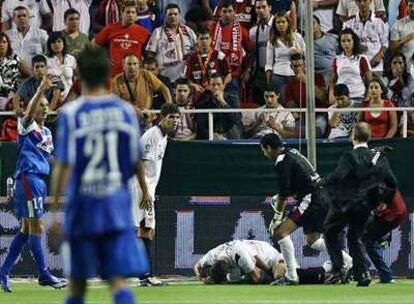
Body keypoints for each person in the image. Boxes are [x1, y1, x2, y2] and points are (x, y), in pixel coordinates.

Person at [50, 47, 149, 304]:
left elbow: (63, 165)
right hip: (115, 204)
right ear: (109, 73)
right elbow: (135, 160)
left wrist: (56, 214)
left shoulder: (71, 114)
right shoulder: (126, 112)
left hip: (82, 205)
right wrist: (142, 189)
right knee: (117, 281)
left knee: (77, 285)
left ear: (78, 74)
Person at [0, 76, 67, 293]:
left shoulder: (47, 132)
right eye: (41, 106)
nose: (45, 109)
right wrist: (40, 89)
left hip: (39, 181)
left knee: (26, 229)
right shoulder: (26, 125)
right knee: (36, 226)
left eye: (47, 106)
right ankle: (44, 274)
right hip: (28, 180)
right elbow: (29, 113)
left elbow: (49, 158)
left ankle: (4, 270)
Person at [259, 133, 351, 285]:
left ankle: (291, 276)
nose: (264, 153)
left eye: (263, 150)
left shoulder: (281, 161)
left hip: (311, 199)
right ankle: (348, 262)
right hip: (321, 197)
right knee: (313, 241)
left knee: (280, 232)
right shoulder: (293, 152)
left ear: (268, 148)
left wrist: (277, 217)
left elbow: (284, 193)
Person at [323, 122, 397, 286]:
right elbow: (392, 183)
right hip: (366, 206)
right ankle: (362, 273)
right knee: (355, 237)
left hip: (346, 203)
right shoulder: (379, 158)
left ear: (353, 137)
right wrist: (384, 200)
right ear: (369, 137)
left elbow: (338, 176)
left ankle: (338, 269)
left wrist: (322, 181)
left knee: (329, 231)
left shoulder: (348, 157)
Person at [129, 103, 180, 286]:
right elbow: (139, 164)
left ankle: (145, 274)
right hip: (140, 188)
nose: (174, 121)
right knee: (144, 230)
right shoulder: (153, 136)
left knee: (146, 229)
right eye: (171, 117)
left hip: (147, 188)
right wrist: (145, 191)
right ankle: (145, 274)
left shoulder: (163, 138)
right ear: (162, 117)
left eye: (177, 117)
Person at [92, 0, 150, 77]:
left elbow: (150, 53)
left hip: (135, 75)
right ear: (121, 14)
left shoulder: (144, 32)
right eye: (128, 12)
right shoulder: (110, 29)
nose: (131, 15)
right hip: (114, 74)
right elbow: (94, 44)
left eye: (133, 12)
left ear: (136, 15)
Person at [145, 3, 197, 82]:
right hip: (165, 75)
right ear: (165, 16)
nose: (173, 16)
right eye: (170, 14)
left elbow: (197, 49)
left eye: (175, 14)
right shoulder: (157, 32)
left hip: (185, 77)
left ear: (179, 15)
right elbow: (150, 54)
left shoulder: (189, 31)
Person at [265, 12, 305, 102]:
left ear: (288, 23)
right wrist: (269, 83)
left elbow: (306, 55)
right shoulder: (272, 40)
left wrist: (299, 52)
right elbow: (268, 64)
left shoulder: (297, 37)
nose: (280, 25)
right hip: (278, 75)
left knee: (297, 102)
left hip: (295, 74)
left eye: (283, 22)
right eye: (278, 22)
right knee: (284, 102)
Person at [342, 0, 389, 76]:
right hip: (355, 67)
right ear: (355, 2)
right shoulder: (348, 23)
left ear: (370, 1)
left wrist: (380, 55)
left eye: (365, 0)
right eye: (359, 1)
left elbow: (385, 43)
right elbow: (342, 43)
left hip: (375, 67)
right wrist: (356, 46)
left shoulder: (380, 22)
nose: (362, 3)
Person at [329, 28, 372, 107]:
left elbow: (370, 80)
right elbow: (333, 80)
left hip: (358, 96)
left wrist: (367, 97)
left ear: (353, 42)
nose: (346, 44)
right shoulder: (337, 59)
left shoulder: (361, 58)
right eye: (343, 41)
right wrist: (331, 93)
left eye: (349, 41)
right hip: (341, 97)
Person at [46, 31, 78, 101]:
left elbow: (77, 78)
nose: (57, 44)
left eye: (59, 41)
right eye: (53, 42)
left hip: (70, 97)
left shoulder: (71, 59)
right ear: (49, 45)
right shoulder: (46, 60)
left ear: (63, 43)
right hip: (51, 97)